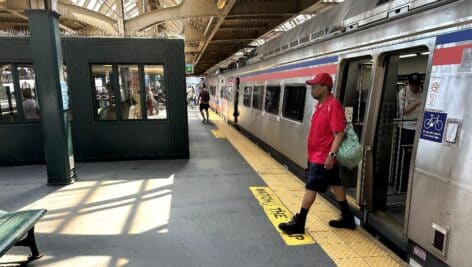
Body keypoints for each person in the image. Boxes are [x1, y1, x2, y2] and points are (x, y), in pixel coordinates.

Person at [278, 73, 355, 235]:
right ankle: (347, 217)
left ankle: (299, 222)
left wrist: (331, 155)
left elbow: (339, 133)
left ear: (325, 87)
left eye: (315, 86)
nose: (312, 89)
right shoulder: (321, 105)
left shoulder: (332, 106)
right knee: (335, 184)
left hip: (323, 157)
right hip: (317, 155)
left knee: (310, 187)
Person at [397, 72, 422, 191]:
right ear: (409, 84)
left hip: (420, 128)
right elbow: (403, 111)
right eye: (413, 85)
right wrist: (417, 102)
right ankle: (402, 185)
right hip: (407, 128)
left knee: (417, 158)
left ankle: (414, 185)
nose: (415, 87)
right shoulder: (403, 92)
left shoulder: (423, 90)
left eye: (417, 85)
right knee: (405, 158)